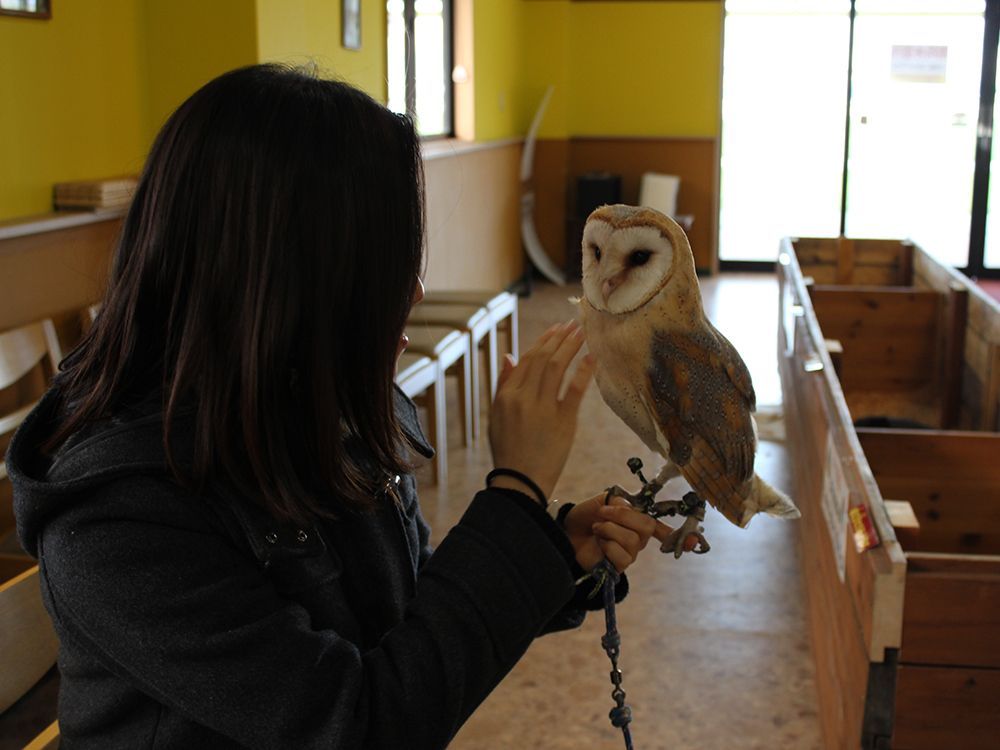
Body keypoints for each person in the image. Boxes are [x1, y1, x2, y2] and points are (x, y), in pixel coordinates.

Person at [8, 64, 679, 749]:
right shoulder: (119, 516)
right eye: (386, 263)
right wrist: (514, 493)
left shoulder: (321, 408)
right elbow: (362, 724)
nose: (415, 289)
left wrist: (548, 549)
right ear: (286, 277)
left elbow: (406, 617)